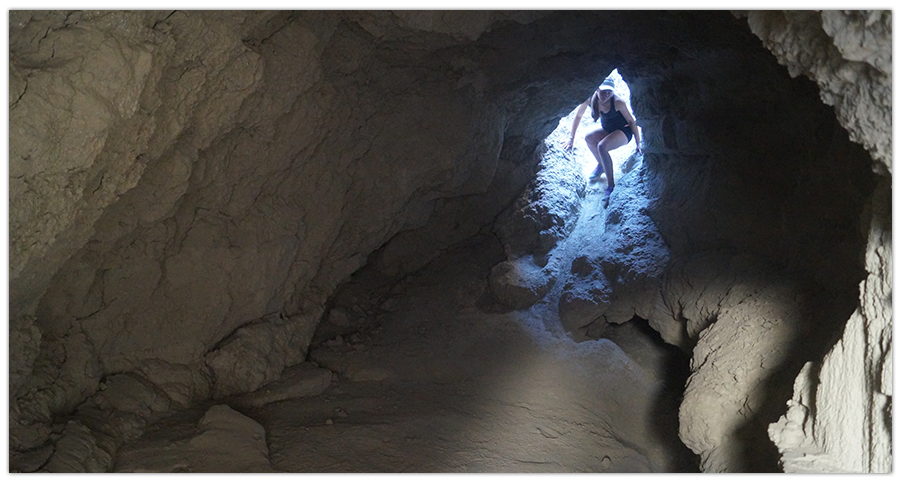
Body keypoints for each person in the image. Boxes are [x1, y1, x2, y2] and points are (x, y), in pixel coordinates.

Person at [564, 78, 642, 208]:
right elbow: (578, 116)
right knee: (589, 138)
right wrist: (571, 139)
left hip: (623, 131)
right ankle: (601, 165)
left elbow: (631, 121)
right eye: (604, 91)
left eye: (609, 92)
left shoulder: (617, 102)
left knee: (602, 146)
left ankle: (611, 185)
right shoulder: (590, 99)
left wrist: (638, 143)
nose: (606, 94)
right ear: (597, 89)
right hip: (608, 128)